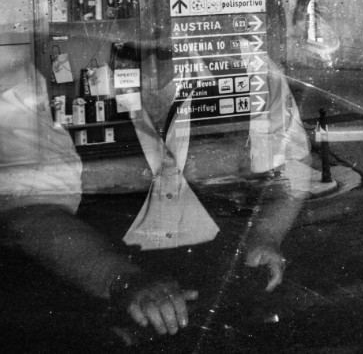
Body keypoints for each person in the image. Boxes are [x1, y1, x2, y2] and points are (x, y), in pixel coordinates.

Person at [0, 53, 314, 337]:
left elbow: (291, 168)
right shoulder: (39, 71)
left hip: (223, 289)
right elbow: (29, 210)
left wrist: (265, 235)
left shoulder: (245, 62)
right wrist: (121, 279)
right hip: (100, 300)